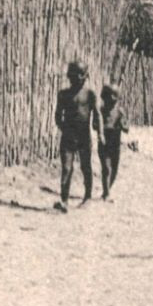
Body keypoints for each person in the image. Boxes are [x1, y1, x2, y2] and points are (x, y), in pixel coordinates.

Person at [54, 60, 99, 212]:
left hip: (84, 137)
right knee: (66, 168)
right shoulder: (63, 95)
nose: (76, 79)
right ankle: (64, 200)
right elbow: (58, 115)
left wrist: (98, 130)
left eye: (80, 76)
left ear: (85, 76)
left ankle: (87, 197)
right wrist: (65, 128)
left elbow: (96, 113)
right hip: (68, 136)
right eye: (73, 76)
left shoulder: (89, 94)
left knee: (86, 166)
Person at [98, 83, 129, 203]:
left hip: (115, 144)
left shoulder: (120, 112)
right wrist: (102, 131)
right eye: (107, 98)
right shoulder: (101, 111)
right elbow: (95, 125)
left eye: (112, 99)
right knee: (106, 168)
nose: (110, 101)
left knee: (114, 170)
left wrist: (121, 124)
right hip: (104, 142)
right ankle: (106, 194)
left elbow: (126, 128)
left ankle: (106, 190)